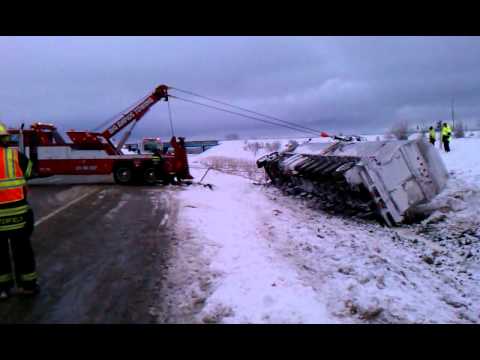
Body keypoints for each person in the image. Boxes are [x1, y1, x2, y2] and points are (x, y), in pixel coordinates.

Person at [0, 122, 38, 300]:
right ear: (6, 138)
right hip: (18, 216)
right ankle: (28, 286)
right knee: (22, 251)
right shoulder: (15, 155)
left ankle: (3, 289)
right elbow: (30, 171)